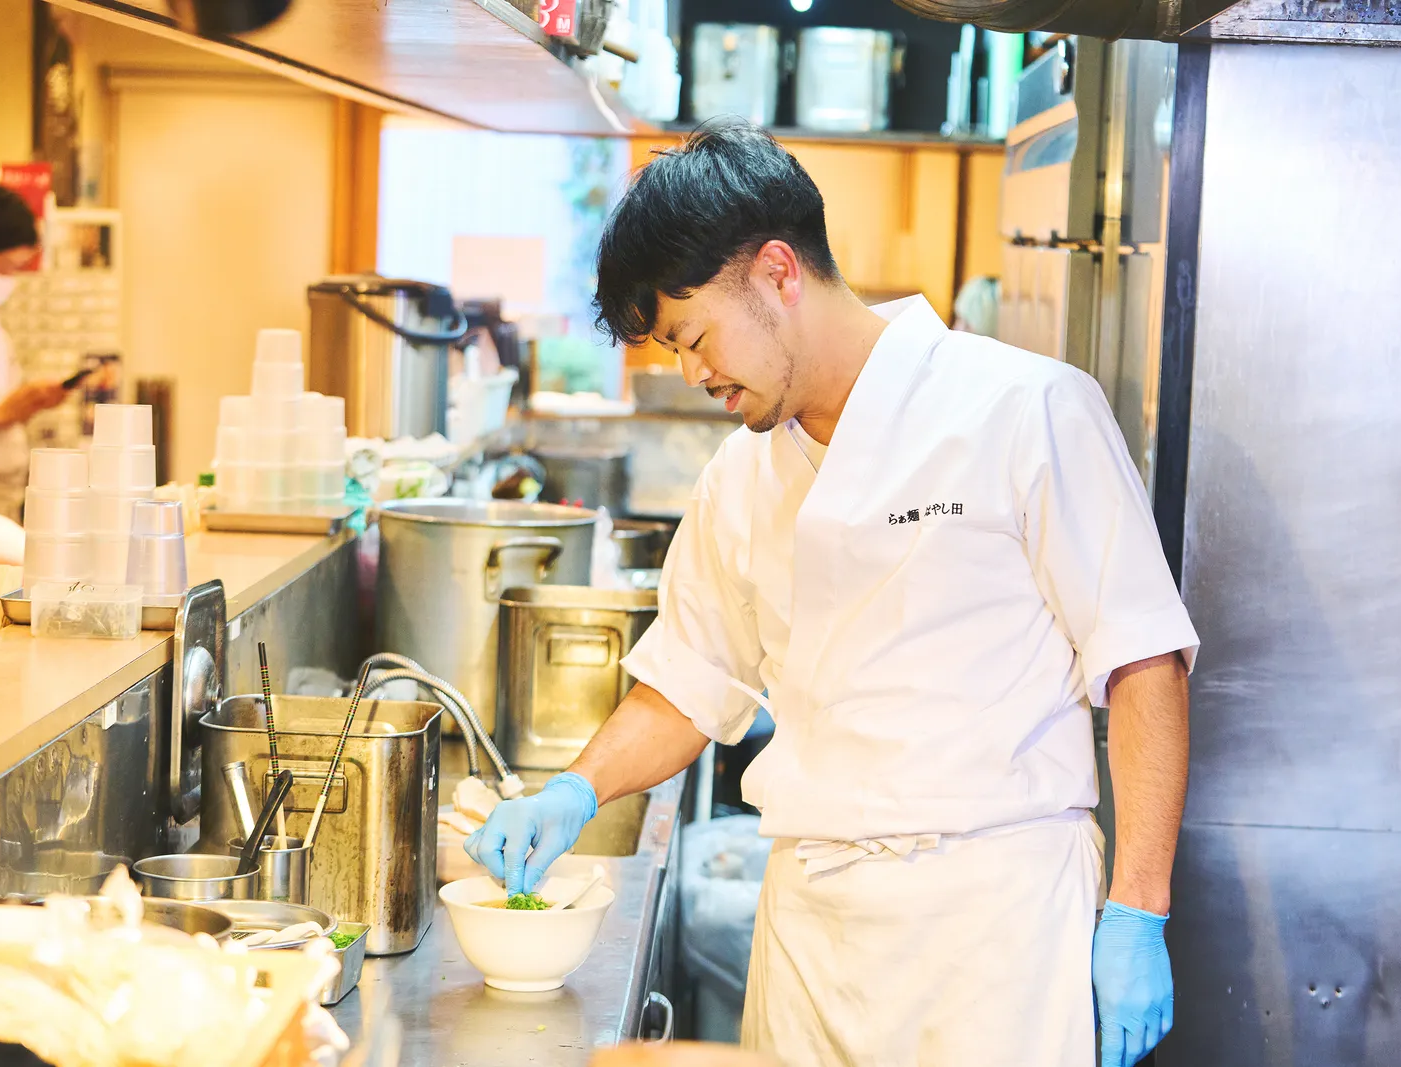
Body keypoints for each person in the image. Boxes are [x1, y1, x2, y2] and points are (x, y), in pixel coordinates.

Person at [466, 122, 1198, 1067]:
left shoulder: (1025, 409)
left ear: (778, 271)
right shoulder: (740, 477)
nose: (694, 376)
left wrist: (1137, 909)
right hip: (810, 934)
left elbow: (1143, 662)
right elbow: (688, 685)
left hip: (993, 935)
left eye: (693, 338)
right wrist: (573, 788)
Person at [0, 185, 70, 522]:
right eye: (5, 269)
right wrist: (4, 414)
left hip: (4, 491)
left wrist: (30, 403)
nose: (10, 281)